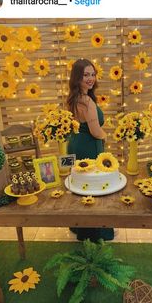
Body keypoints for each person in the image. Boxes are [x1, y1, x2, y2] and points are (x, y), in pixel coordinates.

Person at [67, 58, 114, 242]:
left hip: (76, 143)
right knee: (94, 188)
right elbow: (95, 131)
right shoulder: (86, 101)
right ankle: (96, 233)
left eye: (92, 74)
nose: (90, 78)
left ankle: (81, 229)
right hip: (89, 147)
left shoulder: (74, 98)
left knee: (81, 187)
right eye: (85, 74)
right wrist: (106, 136)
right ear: (77, 77)